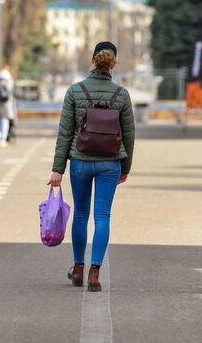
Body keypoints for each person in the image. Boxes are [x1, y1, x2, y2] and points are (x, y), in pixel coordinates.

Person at [47, 41, 135, 292]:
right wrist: (125, 167)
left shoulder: (75, 91)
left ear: (93, 60)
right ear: (113, 64)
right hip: (110, 163)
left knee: (81, 214)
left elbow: (65, 133)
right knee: (102, 216)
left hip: (80, 163)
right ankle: (95, 274)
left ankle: (78, 269)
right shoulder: (122, 95)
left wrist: (58, 169)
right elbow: (129, 135)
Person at [0, 66, 16, 147]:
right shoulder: (10, 80)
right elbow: (12, 91)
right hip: (7, 105)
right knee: (5, 122)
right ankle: (3, 139)